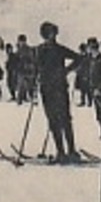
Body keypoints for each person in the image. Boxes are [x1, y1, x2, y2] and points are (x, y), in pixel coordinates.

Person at [34, 21, 81, 163]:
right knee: (56, 119)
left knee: (62, 119)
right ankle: (63, 151)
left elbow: (79, 58)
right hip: (51, 87)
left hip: (55, 87)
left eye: (52, 34)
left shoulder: (51, 49)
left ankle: (69, 151)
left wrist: (65, 71)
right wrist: (65, 72)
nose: (51, 37)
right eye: (48, 34)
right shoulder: (41, 50)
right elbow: (36, 67)